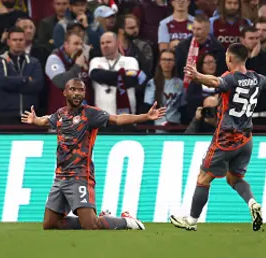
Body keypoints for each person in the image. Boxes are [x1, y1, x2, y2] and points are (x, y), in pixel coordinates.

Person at [170, 43, 266, 232]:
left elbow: (215, 82)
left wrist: (197, 76)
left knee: (203, 178)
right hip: (246, 139)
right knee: (234, 179)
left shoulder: (231, 78)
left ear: (230, 59)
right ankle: (252, 203)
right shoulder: (256, 78)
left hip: (226, 138)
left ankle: (192, 220)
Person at [20, 78, 165, 230]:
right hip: (60, 177)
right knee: (50, 224)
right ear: (65, 92)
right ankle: (103, 218)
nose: (77, 93)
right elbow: (46, 120)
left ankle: (126, 221)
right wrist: (35, 120)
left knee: (91, 225)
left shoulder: (90, 114)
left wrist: (145, 117)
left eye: (81, 90)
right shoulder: (60, 114)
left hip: (80, 176)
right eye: (73, 89)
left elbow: (116, 119)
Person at [0, 27, 44, 123]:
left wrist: (11, 83)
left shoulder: (34, 62)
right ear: (8, 42)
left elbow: (38, 84)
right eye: (14, 40)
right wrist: (26, 80)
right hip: (6, 115)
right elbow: (1, 81)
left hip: (29, 115)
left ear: (25, 42)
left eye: (21, 40)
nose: (18, 42)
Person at [89, 32, 142, 115]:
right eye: (102, 43)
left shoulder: (130, 61)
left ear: (117, 43)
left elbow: (131, 81)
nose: (105, 45)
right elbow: (96, 75)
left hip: (126, 116)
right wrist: (121, 75)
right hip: (102, 118)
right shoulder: (95, 61)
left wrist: (105, 76)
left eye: (108, 42)